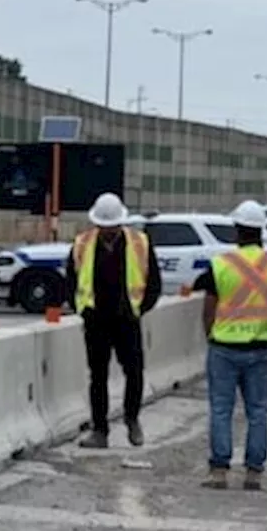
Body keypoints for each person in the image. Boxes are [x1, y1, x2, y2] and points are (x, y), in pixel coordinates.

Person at [192, 200, 267, 491]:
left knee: (221, 409)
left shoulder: (221, 265)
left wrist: (211, 335)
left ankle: (219, 470)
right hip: (260, 346)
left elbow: (209, 307)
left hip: (225, 345)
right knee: (258, 410)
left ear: (237, 230)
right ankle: (254, 472)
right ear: (261, 231)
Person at [62, 192, 162, 449]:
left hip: (127, 318)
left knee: (134, 371)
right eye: (104, 227)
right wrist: (81, 309)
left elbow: (153, 283)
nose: (108, 231)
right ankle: (100, 430)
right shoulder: (83, 244)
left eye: (112, 226)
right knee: (98, 376)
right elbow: (71, 281)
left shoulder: (140, 243)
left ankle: (132, 418)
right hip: (96, 320)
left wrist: (138, 309)